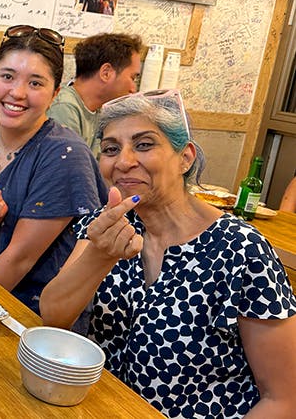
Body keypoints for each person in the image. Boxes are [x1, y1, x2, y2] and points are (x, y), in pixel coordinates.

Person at [40, 89, 296, 417]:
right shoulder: (108, 223)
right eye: (110, 149)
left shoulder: (242, 250)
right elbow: (53, 316)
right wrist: (100, 257)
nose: (123, 161)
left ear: (185, 157)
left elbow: (283, 397)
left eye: (144, 144)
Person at [0, 25, 106, 328]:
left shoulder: (64, 153)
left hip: (32, 317)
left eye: (35, 83)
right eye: (7, 77)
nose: (17, 92)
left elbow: (20, 259)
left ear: (55, 94)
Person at [47, 33, 143, 155]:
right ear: (106, 73)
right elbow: (68, 169)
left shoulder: (97, 110)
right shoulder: (64, 108)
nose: (133, 89)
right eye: (132, 78)